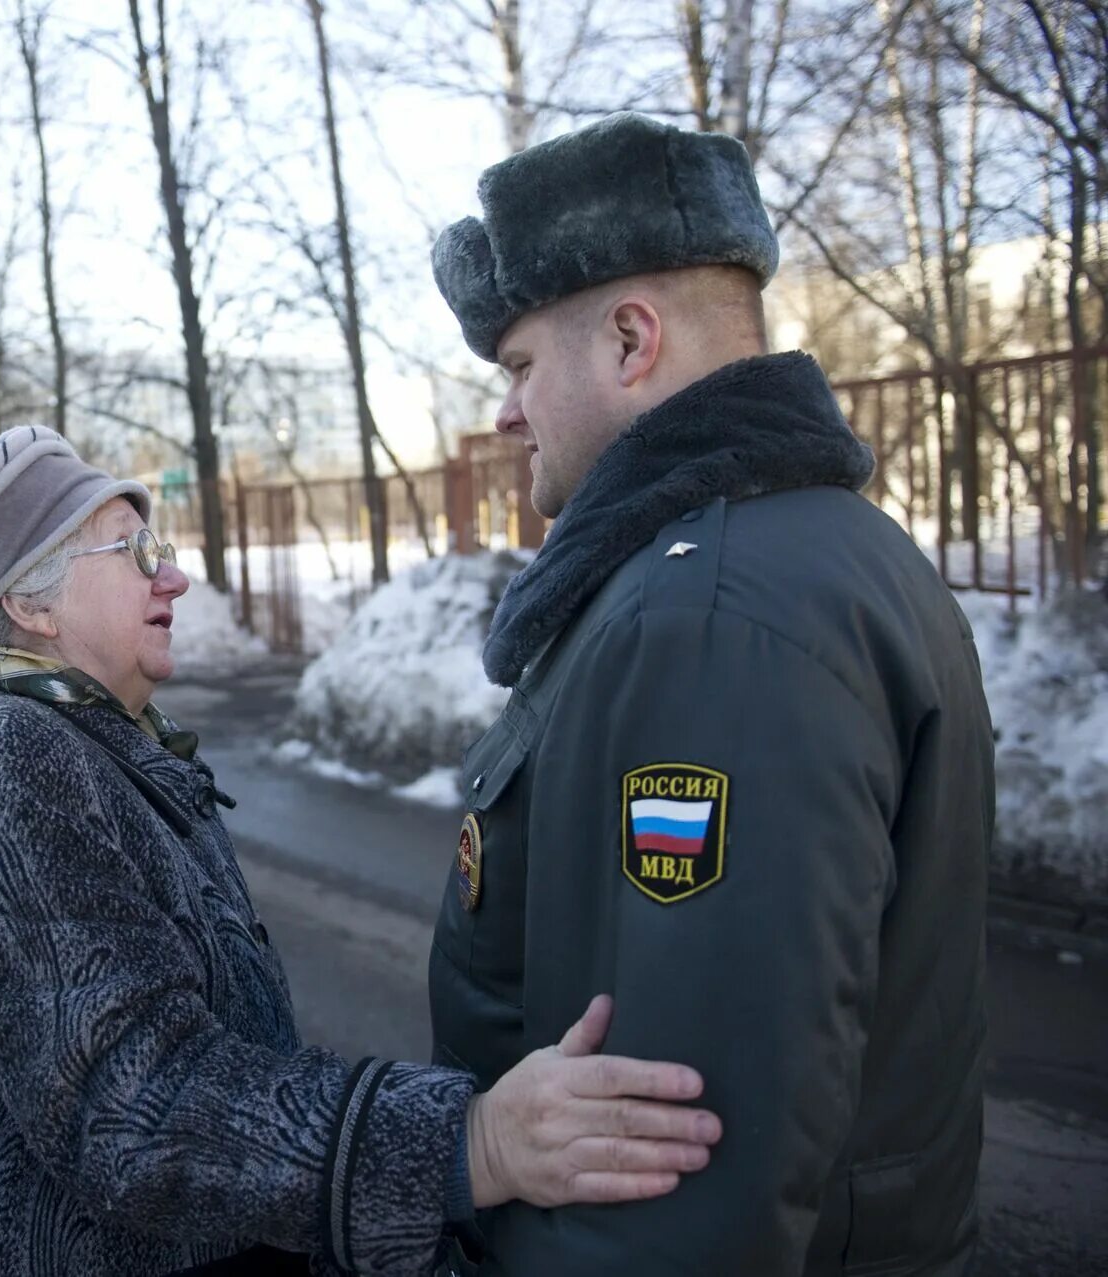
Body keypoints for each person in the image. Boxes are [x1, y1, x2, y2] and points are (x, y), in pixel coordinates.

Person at [0, 426, 723, 1276]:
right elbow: (140, 1109)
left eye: (159, 547)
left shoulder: (102, 748)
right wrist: (471, 1143)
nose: (170, 577)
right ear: (28, 603)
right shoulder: (6, 761)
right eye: (134, 553)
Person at [425, 112, 993, 1274]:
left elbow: (680, 1154)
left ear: (632, 340)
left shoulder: (713, 615)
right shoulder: (808, 553)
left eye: (523, 364)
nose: (505, 411)